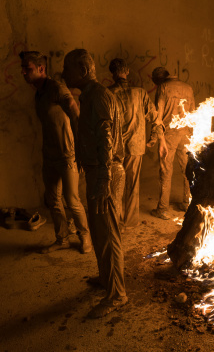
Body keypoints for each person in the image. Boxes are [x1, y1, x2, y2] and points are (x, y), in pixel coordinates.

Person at [62, 49, 128, 318]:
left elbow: (106, 137)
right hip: (99, 172)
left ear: (82, 69)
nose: (64, 74)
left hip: (107, 173)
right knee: (100, 233)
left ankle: (117, 295)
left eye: (67, 68)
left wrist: (103, 179)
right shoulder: (90, 95)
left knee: (109, 233)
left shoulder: (99, 96)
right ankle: (106, 279)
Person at [19, 51, 91, 254]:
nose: (23, 72)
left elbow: (75, 114)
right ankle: (62, 239)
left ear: (41, 69)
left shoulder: (56, 88)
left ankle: (85, 237)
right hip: (49, 155)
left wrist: (80, 148)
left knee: (73, 200)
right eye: (22, 68)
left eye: (28, 68)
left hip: (68, 153)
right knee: (53, 200)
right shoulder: (39, 92)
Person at [107, 58, 167, 230]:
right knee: (132, 186)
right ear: (127, 72)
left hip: (114, 147)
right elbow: (155, 118)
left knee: (114, 185)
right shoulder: (140, 93)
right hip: (135, 146)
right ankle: (131, 222)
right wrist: (157, 137)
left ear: (112, 73)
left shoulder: (107, 93)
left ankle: (115, 221)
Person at [150, 67, 195, 220]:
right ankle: (187, 203)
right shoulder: (188, 88)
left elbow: (158, 116)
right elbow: (193, 113)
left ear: (159, 79)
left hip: (169, 134)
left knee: (166, 171)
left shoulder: (163, 88)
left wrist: (155, 136)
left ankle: (162, 209)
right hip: (186, 134)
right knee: (187, 169)